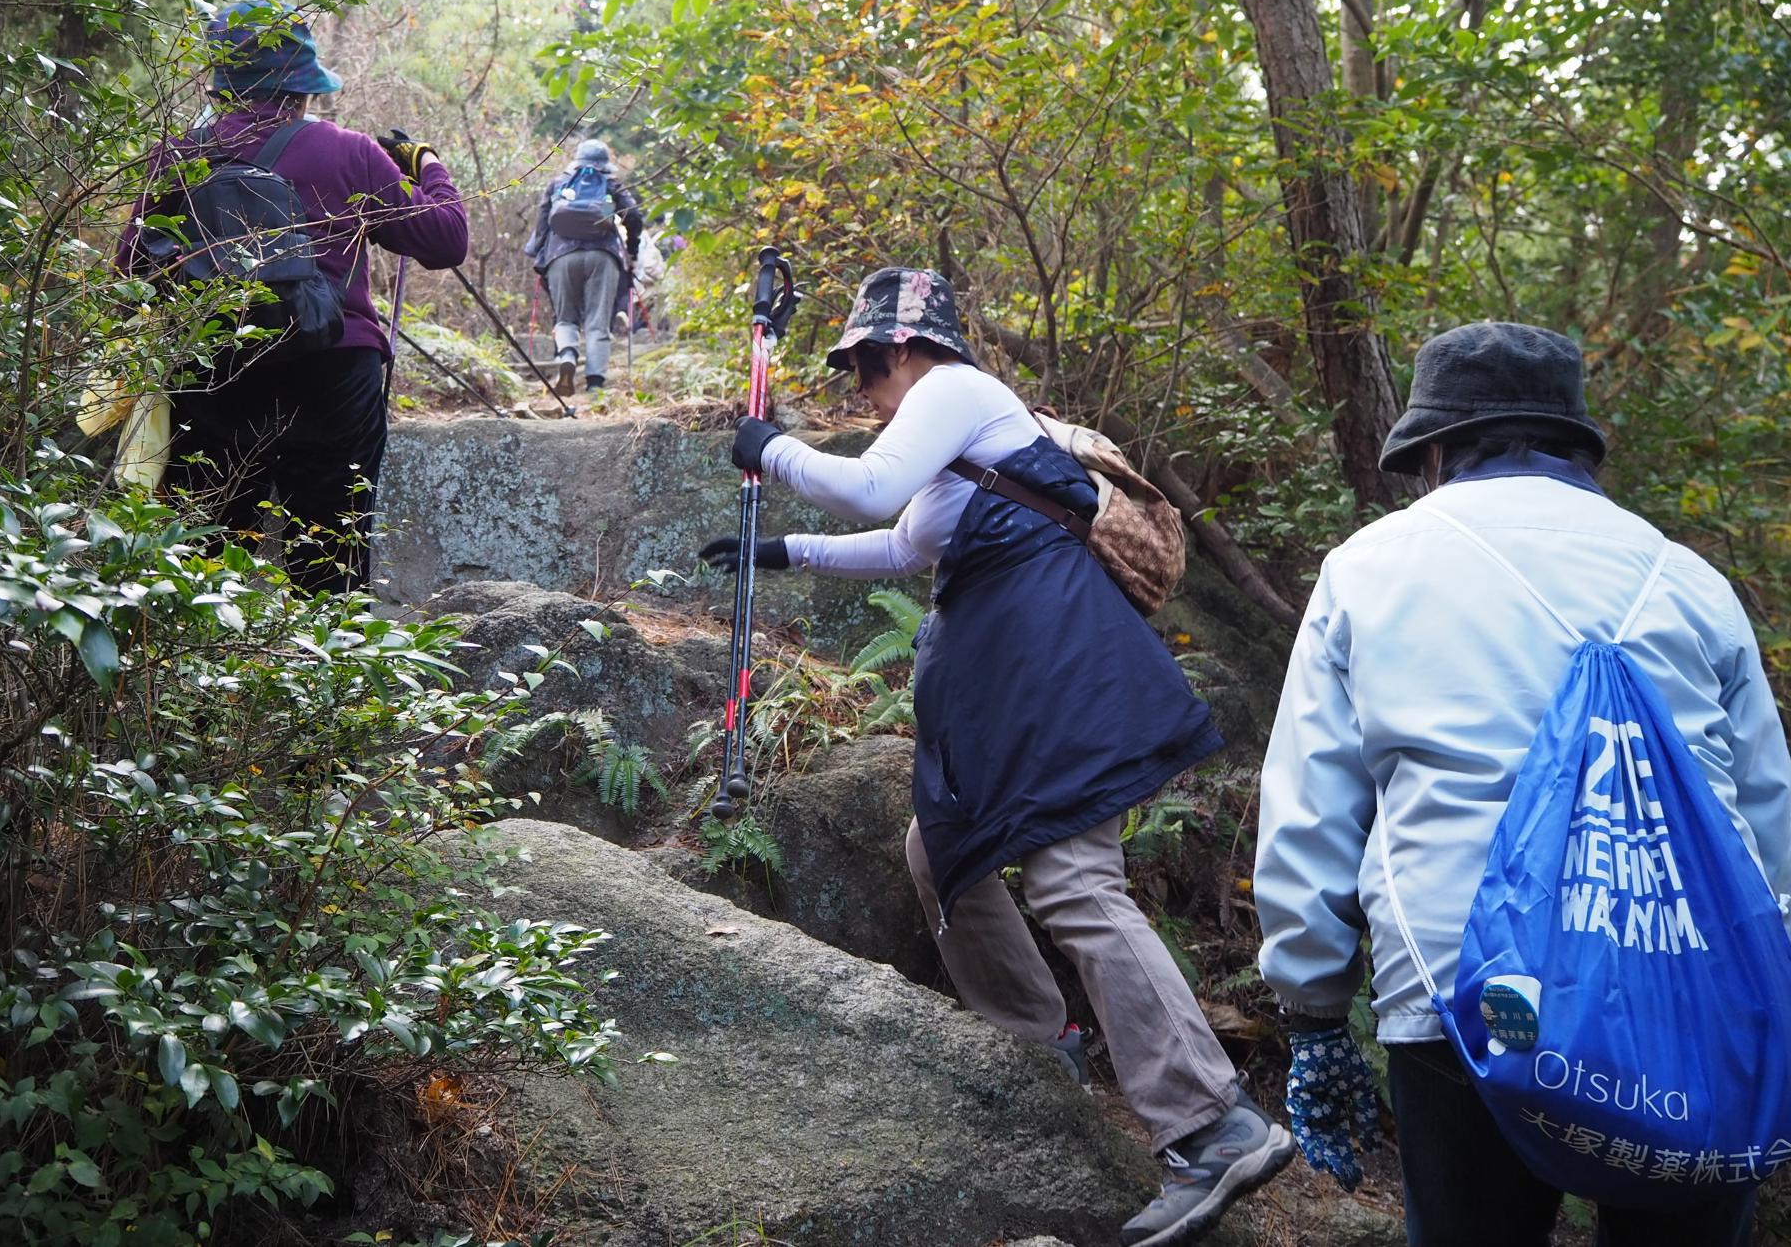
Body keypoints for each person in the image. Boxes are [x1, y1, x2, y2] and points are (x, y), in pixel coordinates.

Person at [698, 267, 1294, 1247]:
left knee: (1071, 879)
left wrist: (778, 449)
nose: (862, 392)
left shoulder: (955, 391)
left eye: (862, 369)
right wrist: (781, 552)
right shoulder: (953, 459)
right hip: (1012, 699)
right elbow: (899, 543)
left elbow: (870, 485)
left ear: (900, 350)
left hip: (1057, 681)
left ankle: (1210, 1122)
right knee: (942, 852)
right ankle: (1035, 1046)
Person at [1254, 322, 1791, 1246]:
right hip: (1689, 993)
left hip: (1461, 987)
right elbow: (1766, 815)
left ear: (1433, 452)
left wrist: (1311, 1010)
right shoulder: (1691, 580)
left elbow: (1312, 806)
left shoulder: (1369, 569)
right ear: (1579, 448)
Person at [116, 0, 470, 592]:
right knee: (330, 559)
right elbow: (445, 239)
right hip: (333, 366)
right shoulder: (350, 151)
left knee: (205, 560)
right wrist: (426, 164)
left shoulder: (179, 154)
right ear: (304, 88)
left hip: (216, 369)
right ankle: (327, 671)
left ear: (219, 84)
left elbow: (129, 271)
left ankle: (203, 676)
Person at [522, 138, 643, 397]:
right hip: (604, 255)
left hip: (561, 255)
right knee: (598, 322)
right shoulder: (611, 184)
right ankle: (595, 383)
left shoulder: (558, 183)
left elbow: (542, 224)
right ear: (604, 163)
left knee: (566, 317)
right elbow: (634, 216)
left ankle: (566, 354)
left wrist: (537, 254)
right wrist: (632, 251)